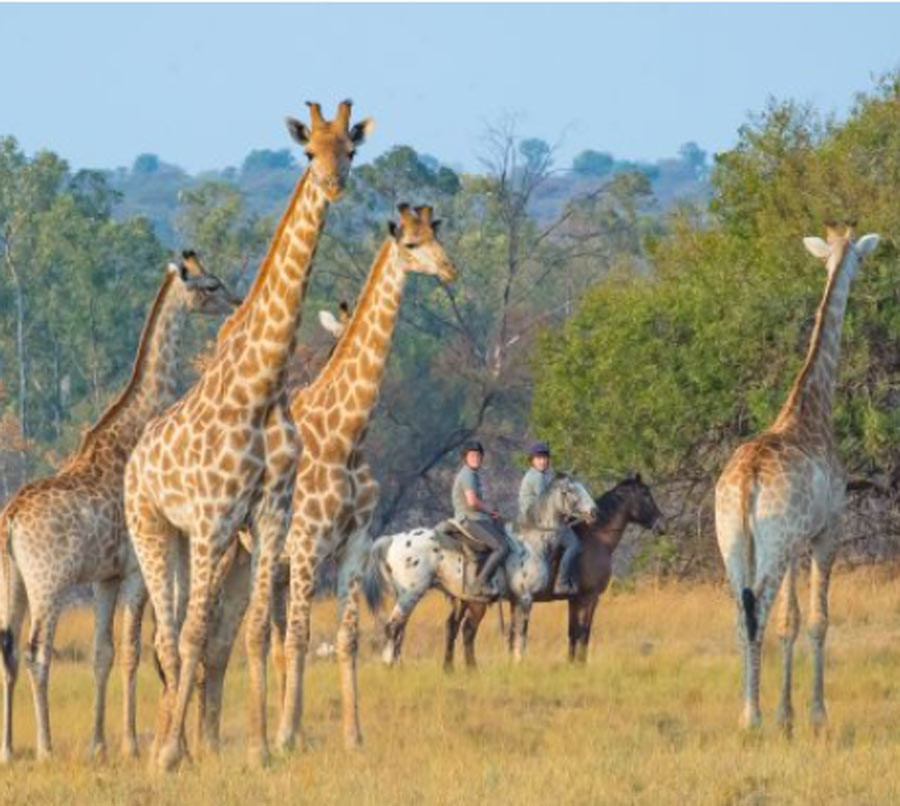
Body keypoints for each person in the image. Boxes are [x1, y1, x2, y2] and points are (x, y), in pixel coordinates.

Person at [518, 441, 580, 594]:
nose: (543, 460)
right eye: (539, 458)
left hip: (544, 520)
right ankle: (561, 582)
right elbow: (546, 504)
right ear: (532, 460)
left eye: (545, 457)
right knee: (574, 545)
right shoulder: (536, 477)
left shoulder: (545, 475)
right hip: (536, 522)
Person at [451, 440, 509, 596]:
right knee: (502, 547)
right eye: (472, 455)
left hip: (478, 518)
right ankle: (480, 582)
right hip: (470, 519)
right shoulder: (468, 474)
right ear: (465, 458)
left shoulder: (474, 475)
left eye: (478, 455)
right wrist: (489, 511)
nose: (475, 458)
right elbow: (472, 502)